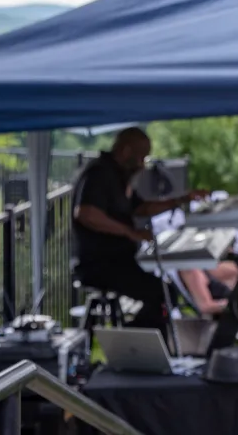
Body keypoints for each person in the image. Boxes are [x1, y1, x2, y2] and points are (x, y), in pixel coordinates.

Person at [72, 127, 208, 334]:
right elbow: (86, 213)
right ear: (126, 151)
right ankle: (132, 343)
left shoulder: (119, 176)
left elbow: (141, 208)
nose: (143, 163)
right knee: (161, 294)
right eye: (141, 156)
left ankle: (136, 340)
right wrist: (129, 232)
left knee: (164, 291)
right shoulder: (99, 173)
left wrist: (181, 199)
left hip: (120, 259)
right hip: (100, 263)